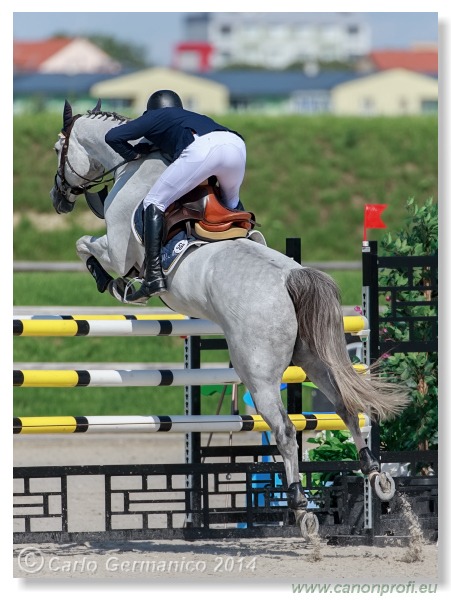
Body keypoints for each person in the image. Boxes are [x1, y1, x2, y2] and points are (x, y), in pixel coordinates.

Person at [105, 89, 247, 304]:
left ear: (151, 110)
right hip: (236, 146)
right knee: (231, 206)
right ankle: (247, 248)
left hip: (203, 150)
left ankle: (153, 276)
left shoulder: (154, 117)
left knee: (154, 202)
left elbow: (112, 136)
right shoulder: (192, 117)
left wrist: (132, 155)